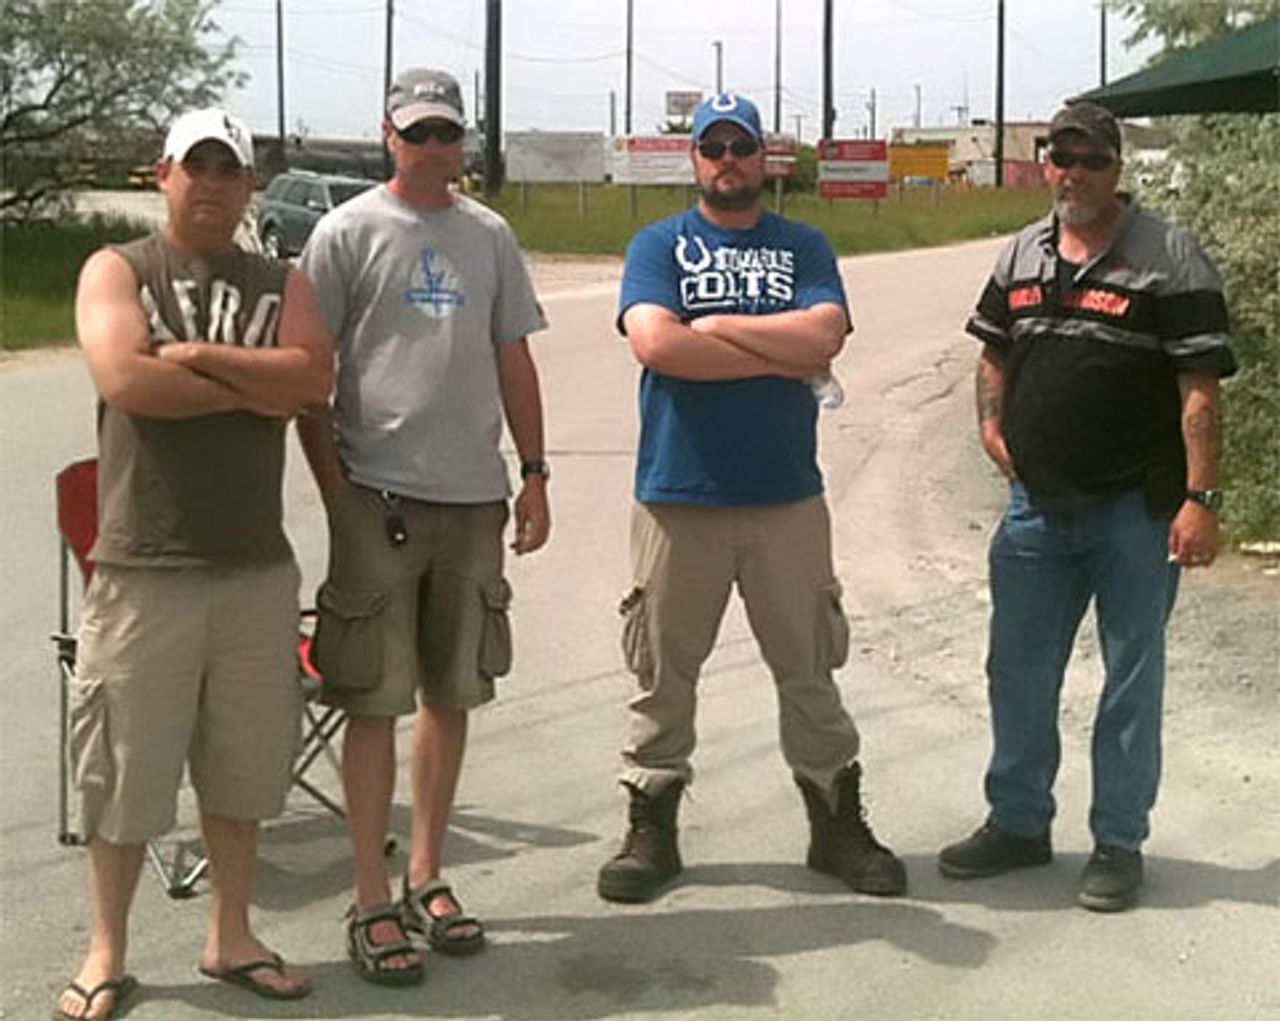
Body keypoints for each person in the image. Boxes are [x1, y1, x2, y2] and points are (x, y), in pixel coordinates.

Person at [598, 92, 907, 905]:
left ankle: (836, 825)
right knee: (663, 675)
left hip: (785, 499)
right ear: (695, 158)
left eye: (742, 146)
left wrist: (714, 326)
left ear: (765, 157)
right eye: (714, 147)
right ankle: (651, 827)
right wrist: (780, 353)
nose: (728, 159)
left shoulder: (803, 244)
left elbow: (825, 336)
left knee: (810, 669)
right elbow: (656, 343)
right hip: (677, 495)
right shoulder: (659, 244)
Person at [61, 107, 333, 1019]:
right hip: (143, 568)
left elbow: (312, 380)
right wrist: (255, 385)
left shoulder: (283, 279)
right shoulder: (118, 268)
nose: (212, 183)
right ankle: (107, 950)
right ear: (163, 175)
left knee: (241, 770)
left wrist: (198, 357)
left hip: (255, 568)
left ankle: (232, 934)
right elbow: (126, 379)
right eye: (196, 166)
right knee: (122, 773)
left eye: (229, 169)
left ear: (250, 184)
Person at [938, 101, 1236, 912]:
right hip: (1036, 508)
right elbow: (994, 352)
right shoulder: (1021, 252)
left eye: (1092, 160)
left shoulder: (1170, 255)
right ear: (1047, 164)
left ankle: (1118, 841)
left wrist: (1201, 499)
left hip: (1136, 509)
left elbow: (1200, 387)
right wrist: (992, 428)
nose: (1074, 173)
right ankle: (1018, 821)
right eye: (1061, 157)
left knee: (1130, 679)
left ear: (1116, 168)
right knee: (1017, 670)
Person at [297, 67, 550, 985]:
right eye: (419, 132)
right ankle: (370, 895)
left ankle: (425, 873)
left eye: (448, 132)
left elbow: (513, 356)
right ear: (389, 136)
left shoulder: (489, 235)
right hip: (378, 497)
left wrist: (534, 474)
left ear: (463, 140)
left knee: (452, 692)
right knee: (373, 700)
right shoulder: (345, 232)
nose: (435, 147)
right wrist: (337, 493)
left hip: (473, 498)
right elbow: (309, 375)